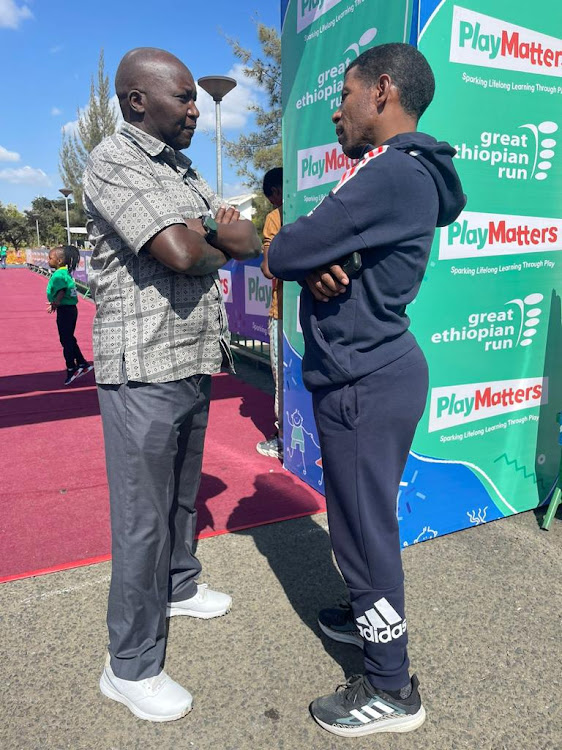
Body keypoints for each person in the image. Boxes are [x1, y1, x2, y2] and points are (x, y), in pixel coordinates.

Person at [268, 43, 465, 737]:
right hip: (375, 373)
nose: (336, 108)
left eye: (345, 94)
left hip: (364, 379)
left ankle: (391, 688)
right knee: (364, 521)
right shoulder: (404, 173)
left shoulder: (390, 174)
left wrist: (306, 254)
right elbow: (320, 251)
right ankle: (366, 617)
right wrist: (324, 256)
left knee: (362, 532)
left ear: (382, 91)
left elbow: (287, 249)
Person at [82, 47, 260, 723]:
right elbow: (183, 253)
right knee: (142, 524)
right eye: (183, 98)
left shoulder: (181, 169)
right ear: (136, 102)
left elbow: (238, 235)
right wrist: (210, 236)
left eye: (195, 98)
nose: (195, 110)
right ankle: (128, 667)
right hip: (143, 367)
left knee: (182, 498)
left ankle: (180, 586)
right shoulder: (115, 161)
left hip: (190, 357)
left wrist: (209, 232)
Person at [256, 167, 283, 459]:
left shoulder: (275, 217)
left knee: (282, 379)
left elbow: (267, 268)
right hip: (315, 310)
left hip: (283, 313)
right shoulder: (315, 209)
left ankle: (283, 439)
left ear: (275, 192)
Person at [46, 245, 94, 385]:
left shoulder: (59, 275)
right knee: (68, 338)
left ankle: (71, 367)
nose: (48, 260)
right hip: (69, 309)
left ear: (59, 260)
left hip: (65, 309)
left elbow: (61, 291)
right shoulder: (64, 272)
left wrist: (55, 303)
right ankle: (82, 363)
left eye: (51, 258)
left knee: (65, 340)